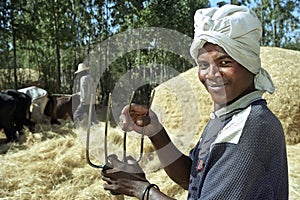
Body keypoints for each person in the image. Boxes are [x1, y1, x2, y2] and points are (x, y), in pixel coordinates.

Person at [101, 5, 288, 200]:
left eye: (224, 63)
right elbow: (193, 178)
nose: (211, 75)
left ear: (249, 64)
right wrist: (156, 132)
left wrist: (140, 189)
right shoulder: (228, 116)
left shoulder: (250, 129)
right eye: (204, 65)